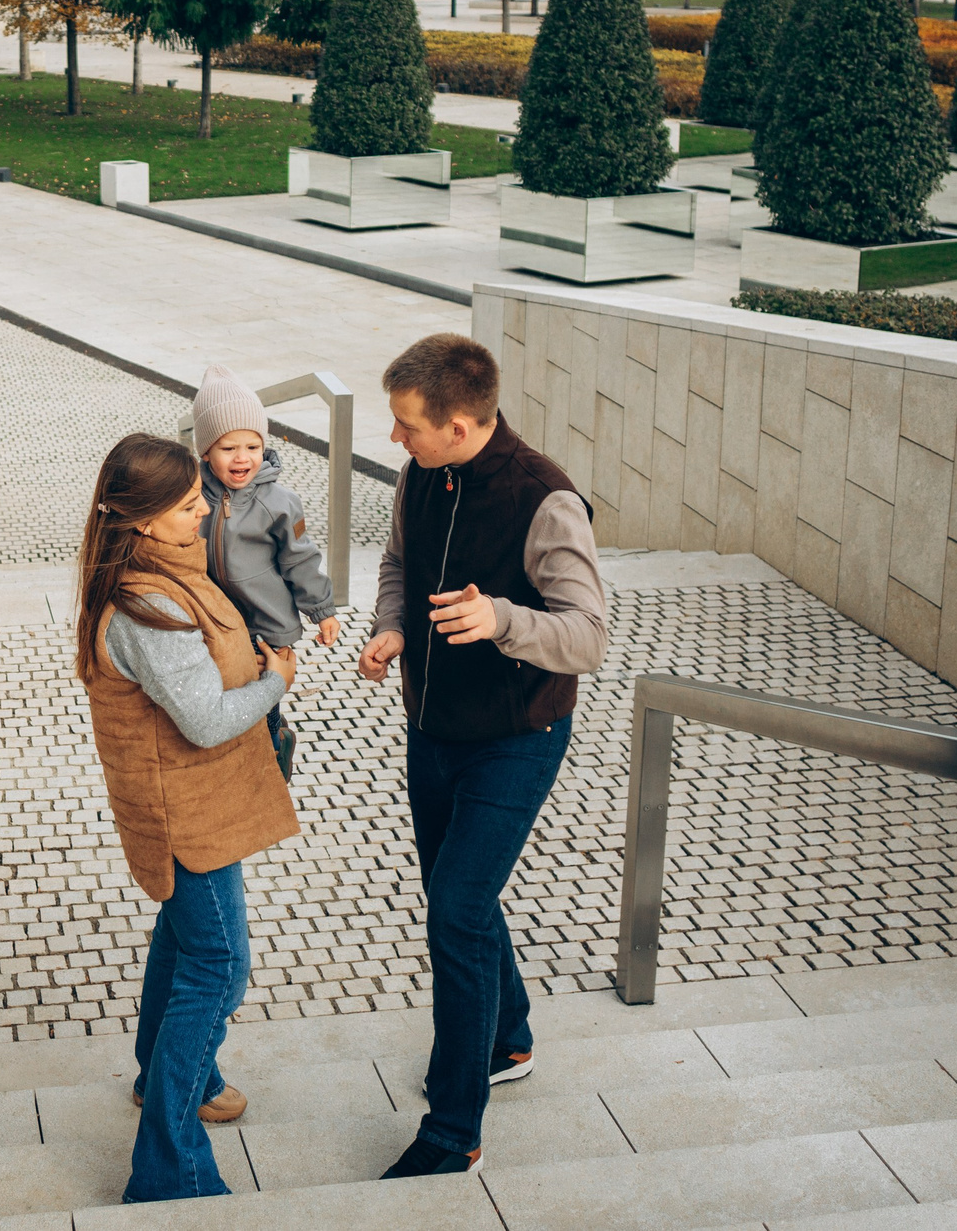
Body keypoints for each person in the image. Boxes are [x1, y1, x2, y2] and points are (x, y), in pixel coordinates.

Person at [356, 333, 609, 1180]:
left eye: (407, 426)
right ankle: (507, 1037)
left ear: (460, 425)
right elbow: (398, 562)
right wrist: (392, 626)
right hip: (430, 727)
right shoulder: (419, 476)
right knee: (455, 895)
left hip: (514, 738)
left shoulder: (547, 501)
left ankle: (453, 1127)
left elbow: (588, 637)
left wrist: (502, 619)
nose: (397, 440)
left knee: (457, 910)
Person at [75, 432, 301, 1203]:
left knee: (183, 941)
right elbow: (206, 719)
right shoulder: (152, 607)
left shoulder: (163, 572)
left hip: (200, 800)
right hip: (187, 813)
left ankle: (171, 1076)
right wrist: (275, 680)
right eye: (186, 506)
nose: (204, 510)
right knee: (220, 965)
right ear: (139, 521)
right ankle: (169, 1168)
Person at [191, 365, 340, 779]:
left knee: (265, 689)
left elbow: (300, 558)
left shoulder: (279, 501)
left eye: (253, 446)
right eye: (228, 448)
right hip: (214, 618)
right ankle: (238, 756)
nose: (243, 458)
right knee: (227, 690)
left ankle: (275, 745)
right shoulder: (191, 493)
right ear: (205, 451)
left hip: (265, 622)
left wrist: (322, 609)